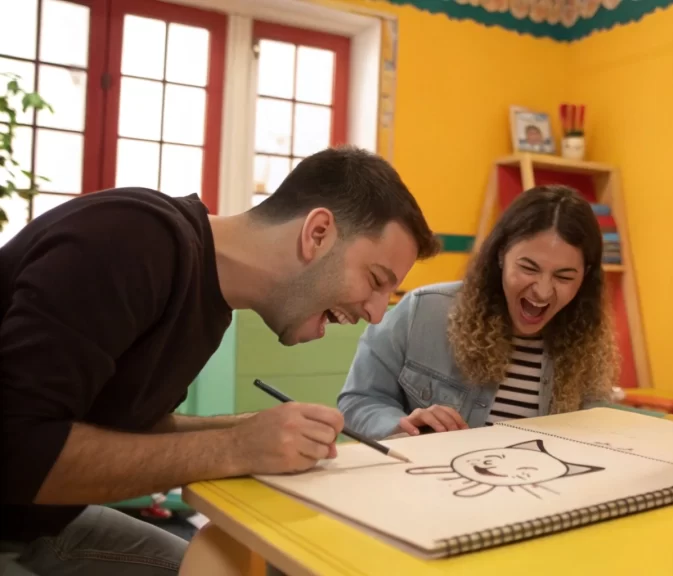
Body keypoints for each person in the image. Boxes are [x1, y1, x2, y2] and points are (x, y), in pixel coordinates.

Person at [0, 145, 439, 574]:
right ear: (317, 233)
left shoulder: (210, 304)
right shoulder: (130, 238)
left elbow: (122, 428)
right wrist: (236, 448)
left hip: (38, 523)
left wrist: (248, 429)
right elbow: (17, 452)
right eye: (375, 280)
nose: (377, 314)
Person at [337, 185, 619, 439]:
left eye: (564, 277)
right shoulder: (421, 311)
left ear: (586, 277)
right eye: (528, 268)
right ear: (500, 255)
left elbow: (596, 431)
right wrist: (400, 425)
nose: (543, 291)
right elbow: (358, 400)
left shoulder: (589, 344)